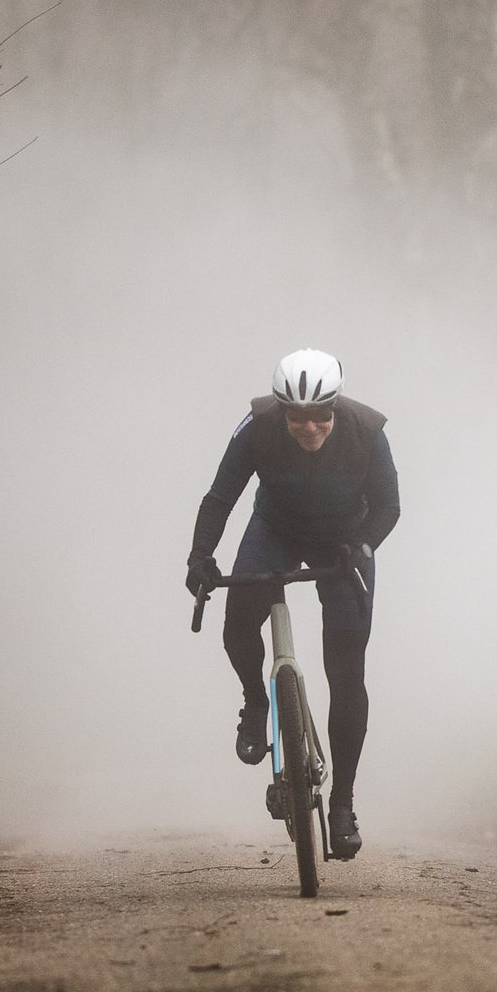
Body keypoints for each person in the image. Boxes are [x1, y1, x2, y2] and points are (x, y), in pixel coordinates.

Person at [185, 349, 399, 857]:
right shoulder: (256, 426)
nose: (308, 427)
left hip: (344, 543)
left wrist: (362, 546)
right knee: (238, 620)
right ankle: (256, 700)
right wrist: (199, 557)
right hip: (275, 531)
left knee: (346, 672)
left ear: (335, 406)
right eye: (296, 416)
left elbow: (389, 506)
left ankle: (343, 803)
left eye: (319, 415)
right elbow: (220, 497)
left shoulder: (367, 431)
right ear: (282, 410)